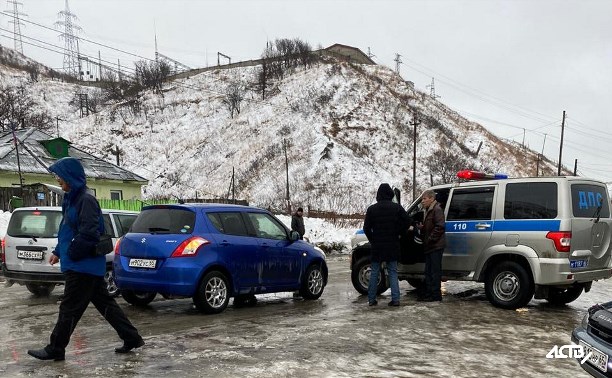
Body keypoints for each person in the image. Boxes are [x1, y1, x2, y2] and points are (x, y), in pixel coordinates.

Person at [27, 157, 144, 361]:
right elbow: (68, 230)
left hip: (83, 265)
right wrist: (58, 251)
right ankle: (131, 337)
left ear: (71, 178)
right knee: (106, 304)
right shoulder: (70, 199)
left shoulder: (86, 200)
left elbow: (88, 233)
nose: (58, 180)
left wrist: (71, 253)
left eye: (60, 177)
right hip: (82, 263)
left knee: (69, 308)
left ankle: (56, 348)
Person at [363, 183, 410, 307]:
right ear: (390, 194)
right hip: (392, 244)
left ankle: (372, 299)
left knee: (374, 272)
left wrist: (373, 240)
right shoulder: (397, 208)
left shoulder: (372, 209)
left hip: (377, 246)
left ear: (378, 195)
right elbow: (407, 221)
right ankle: (395, 300)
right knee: (393, 272)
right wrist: (399, 233)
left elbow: (366, 228)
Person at [417, 189, 446, 302]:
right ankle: (429, 294)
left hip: (435, 246)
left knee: (434, 272)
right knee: (428, 271)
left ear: (432, 199)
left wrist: (430, 239)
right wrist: (421, 228)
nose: (422, 201)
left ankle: (435, 295)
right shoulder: (428, 210)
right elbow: (431, 225)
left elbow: (440, 227)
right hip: (430, 246)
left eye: (424, 198)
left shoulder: (436, 210)